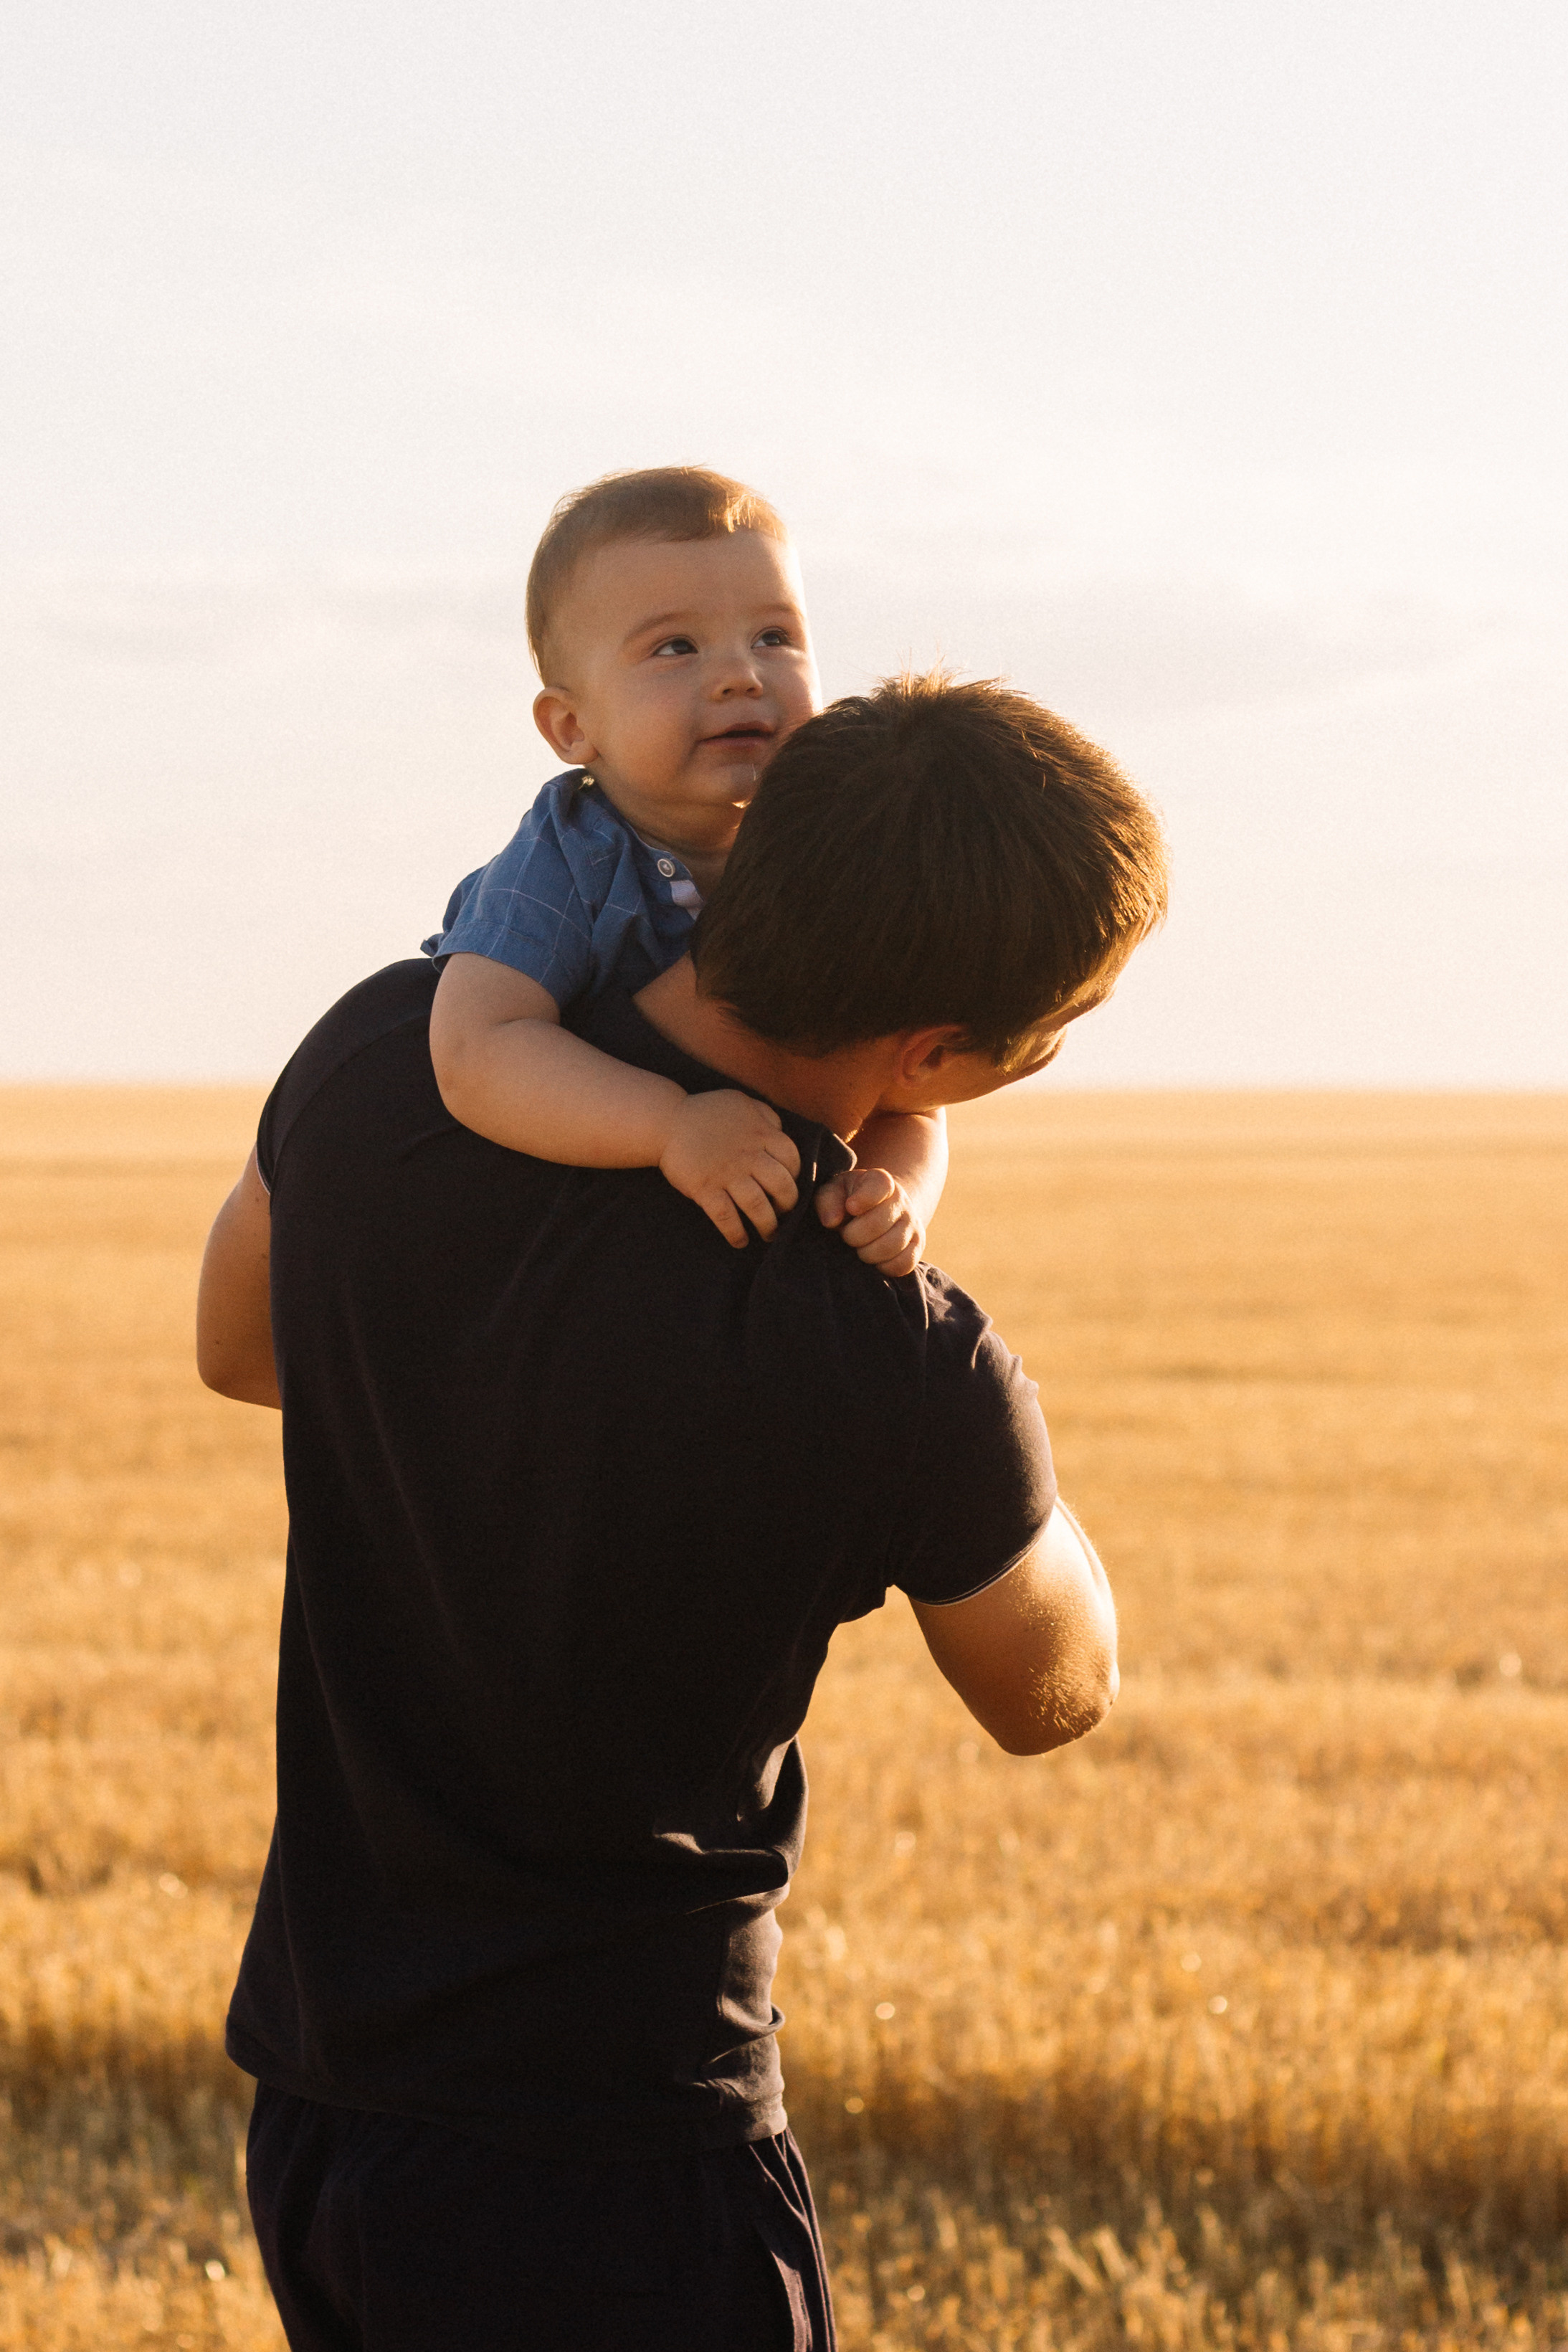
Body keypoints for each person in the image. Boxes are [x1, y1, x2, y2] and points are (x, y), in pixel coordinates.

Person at [196, 670, 1167, 2352]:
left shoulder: (385, 1048)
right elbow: (1051, 1688)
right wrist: (972, 1410)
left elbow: (240, 1347)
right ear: (938, 1052)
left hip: (321, 2098)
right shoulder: (882, 1345)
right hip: (628, 2161)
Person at [424, 463, 944, 1279]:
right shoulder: (570, 857)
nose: (742, 674)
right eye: (676, 647)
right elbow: (476, 1050)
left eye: (774, 637)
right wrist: (671, 1125)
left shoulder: (833, 850)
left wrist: (900, 1187)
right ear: (572, 726)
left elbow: (906, 1083)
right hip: (576, 1249)